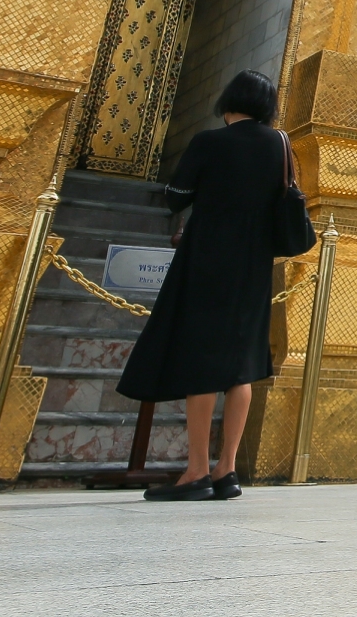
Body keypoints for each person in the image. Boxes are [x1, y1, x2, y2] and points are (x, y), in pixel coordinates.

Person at [117, 70, 290, 502]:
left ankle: (194, 470)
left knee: (203, 364)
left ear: (229, 101)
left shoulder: (210, 142)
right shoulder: (279, 144)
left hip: (209, 259)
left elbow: (176, 194)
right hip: (254, 265)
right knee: (240, 366)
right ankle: (226, 469)